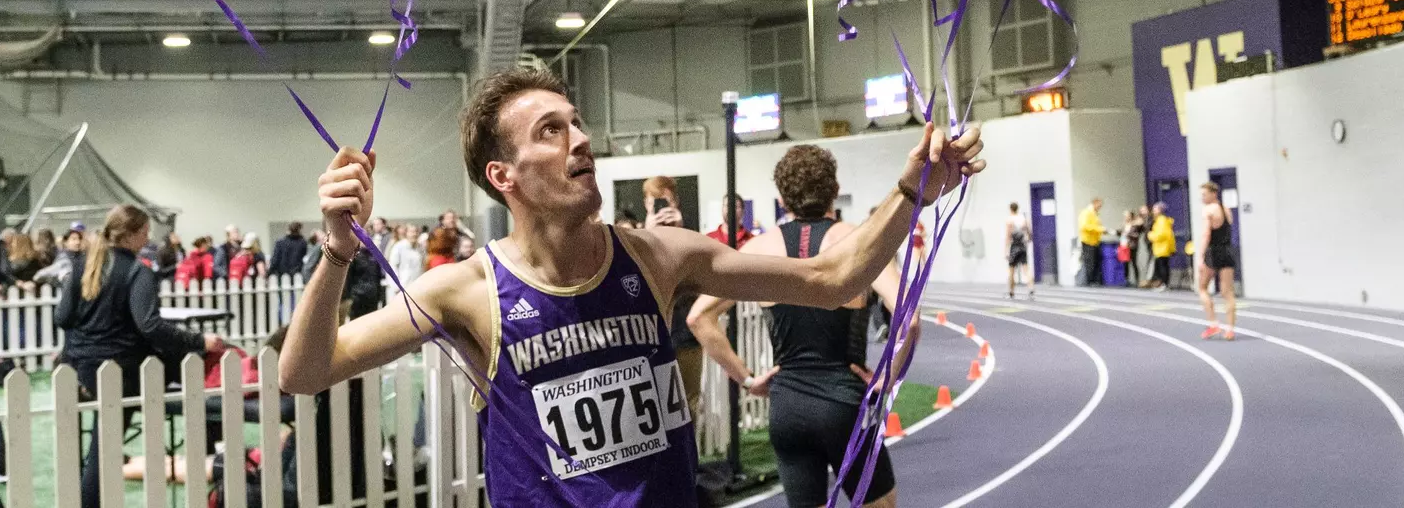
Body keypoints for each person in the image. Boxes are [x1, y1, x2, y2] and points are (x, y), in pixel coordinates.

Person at [278, 67, 982, 507]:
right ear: (504, 176)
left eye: (577, 122)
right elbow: (305, 373)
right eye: (551, 131)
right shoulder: (464, 290)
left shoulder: (656, 255)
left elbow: (833, 279)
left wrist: (910, 192)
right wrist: (338, 252)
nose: (580, 139)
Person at [690, 144, 917, 508]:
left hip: (787, 406)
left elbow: (698, 317)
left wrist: (748, 380)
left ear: (782, 197)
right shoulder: (858, 240)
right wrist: (885, 383)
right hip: (845, 403)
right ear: (834, 187)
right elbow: (910, 316)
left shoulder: (758, 249)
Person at [56, 205, 223, 508]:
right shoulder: (138, 271)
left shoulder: (82, 266)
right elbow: (150, 326)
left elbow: (62, 317)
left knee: (97, 446)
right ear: (131, 235)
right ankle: (212, 451)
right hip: (123, 370)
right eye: (145, 232)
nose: (148, 238)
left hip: (79, 368)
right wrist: (200, 341)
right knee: (104, 450)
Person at [642, 175, 705, 422]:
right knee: (652, 407)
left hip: (686, 333)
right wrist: (648, 234)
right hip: (652, 337)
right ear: (646, 204)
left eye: (664, 200)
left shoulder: (691, 238)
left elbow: (700, 278)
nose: (659, 208)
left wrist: (680, 231)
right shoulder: (636, 242)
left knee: (689, 404)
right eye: (653, 201)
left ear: (675, 201)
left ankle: (690, 460)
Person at [1194, 183, 1237, 340]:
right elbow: (1228, 229)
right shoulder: (1226, 210)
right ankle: (1230, 330)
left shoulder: (1208, 210)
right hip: (1227, 251)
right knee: (1228, 292)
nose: (1202, 197)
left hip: (1213, 252)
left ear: (1213, 194)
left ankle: (1213, 324)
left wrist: (1200, 257)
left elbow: (1206, 234)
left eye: (1204, 194)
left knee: (1203, 288)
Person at [384, 223, 423, 296]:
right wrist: (396, 286)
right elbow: (392, 267)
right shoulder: (399, 247)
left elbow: (422, 267)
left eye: (416, 232)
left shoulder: (420, 248)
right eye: (411, 232)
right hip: (400, 287)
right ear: (406, 233)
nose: (414, 234)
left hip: (416, 286)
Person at [1005, 202, 1034, 299]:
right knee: (1026, 269)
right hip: (1022, 245)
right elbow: (1029, 231)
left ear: (1010, 209)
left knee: (1011, 270)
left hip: (1014, 246)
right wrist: (1029, 239)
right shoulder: (1023, 218)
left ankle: (1011, 291)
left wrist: (1006, 250)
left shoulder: (1010, 220)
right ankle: (1031, 288)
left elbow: (1008, 236)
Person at [1146, 204, 1176, 289]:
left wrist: (1150, 235)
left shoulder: (1161, 221)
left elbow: (1162, 234)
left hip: (1162, 247)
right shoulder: (1158, 220)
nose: (1153, 211)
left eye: (1155, 209)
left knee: (1162, 266)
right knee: (1162, 266)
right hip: (1160, 247)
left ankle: (1164, 283)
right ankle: (1163, 283)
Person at [1077, 197, 1105, 286]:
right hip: (1088, 241)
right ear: (1095, 203)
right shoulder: (1086, 213)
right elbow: (1085, 226)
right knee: (1090, 262)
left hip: (1095, 241)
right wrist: (1099, 229)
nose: (1100, 207)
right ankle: (1090, 281)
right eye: (1099, 205)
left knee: (1096, 261)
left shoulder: (1094, 214)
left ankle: (1095, 281)